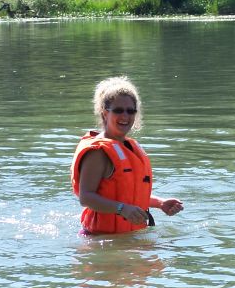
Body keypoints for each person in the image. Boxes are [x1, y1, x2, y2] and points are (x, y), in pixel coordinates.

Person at [71, 76, 183, 235]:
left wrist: (160, 203)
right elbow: (86, 197)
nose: (125, 116)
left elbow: (128, 193)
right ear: (104, 113)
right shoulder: (98, 152)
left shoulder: (129, 147)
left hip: (131, 239)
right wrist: (121, 209)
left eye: (131, 111)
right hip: (99, 241)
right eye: (118, 110)